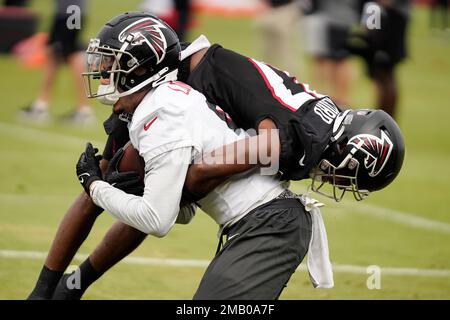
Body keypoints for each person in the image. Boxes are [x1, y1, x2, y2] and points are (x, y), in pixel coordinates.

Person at [28, 13, 405, 299]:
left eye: (111, 64)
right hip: (261, 214)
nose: (337, 180)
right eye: (347, 174)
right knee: (124, 177)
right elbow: (267, 145)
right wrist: (60, 288)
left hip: (267, 222)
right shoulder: (293, 129)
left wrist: (185, 183)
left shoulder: (170, 104)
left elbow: (162, 207)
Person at [19, 0, 95, 124]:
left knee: (73, 53)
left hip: (70, 11)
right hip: (69, 11)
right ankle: (41, 105)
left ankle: (83, 110)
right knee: (53, 52)